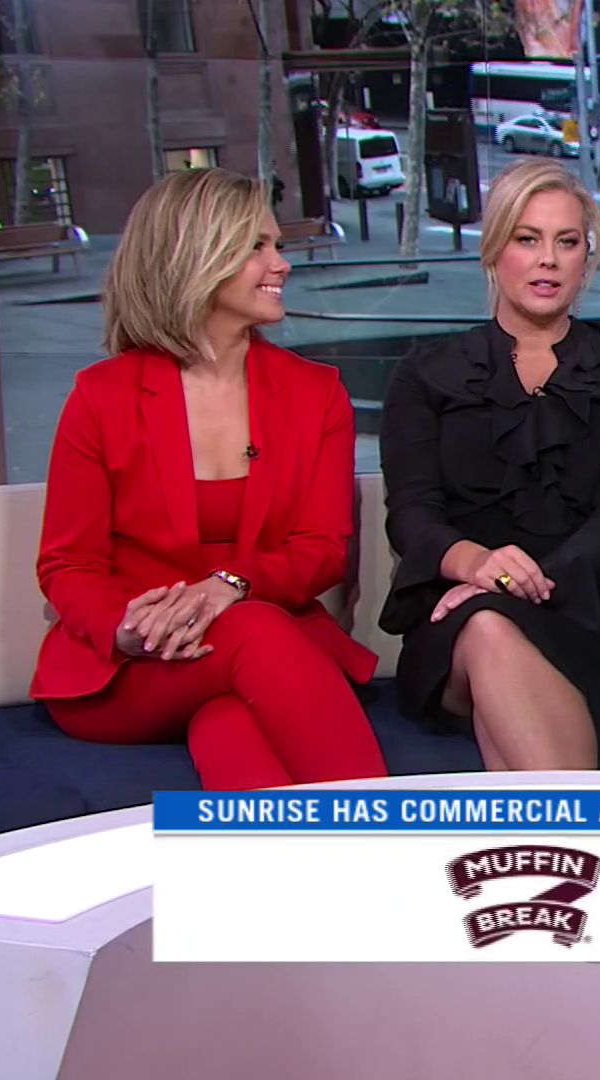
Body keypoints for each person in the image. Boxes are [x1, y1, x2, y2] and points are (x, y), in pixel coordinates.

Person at [32, 168, 388, 791]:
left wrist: (229, 586)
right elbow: (69, 564)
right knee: (254, 634)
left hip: (261, 651)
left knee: (229, 722)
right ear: (195, 258)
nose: (281, 264)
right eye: (257, 247)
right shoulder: (102, 398)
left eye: (278, 245)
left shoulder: (316, 394)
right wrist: (128, 628)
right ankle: (390, 837)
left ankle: (287, 857)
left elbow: (321, 550)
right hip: (137, 667)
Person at [377, 159, 600, 770]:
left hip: (595, 616)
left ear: (586, 259)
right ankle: (576, 820)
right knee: (487, 626)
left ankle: (543, 824)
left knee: (493, 627)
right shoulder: (426, 374)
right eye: (527, 239)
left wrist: (519, 582)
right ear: (494, 250)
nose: (548, 260)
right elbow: (411, 513)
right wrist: (477, 565)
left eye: (567, 242)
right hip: (459, 612)